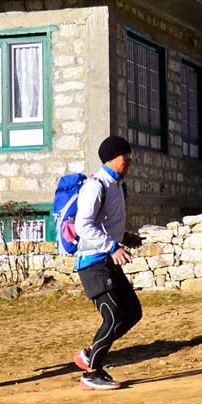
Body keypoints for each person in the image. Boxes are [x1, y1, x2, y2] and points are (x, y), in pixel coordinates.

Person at [73, 135, 143, 390]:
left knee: (133, 312)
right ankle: (92, 373)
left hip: (106, 261)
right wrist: (112, 246)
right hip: (93, 263)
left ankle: (91, 353)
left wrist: (124, 237)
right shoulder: (95, 186)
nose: (130, 162)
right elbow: (83, 225)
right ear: (112, 158)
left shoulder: (115, 186)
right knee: (113, 316)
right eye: (126, 156)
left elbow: (104, 223)